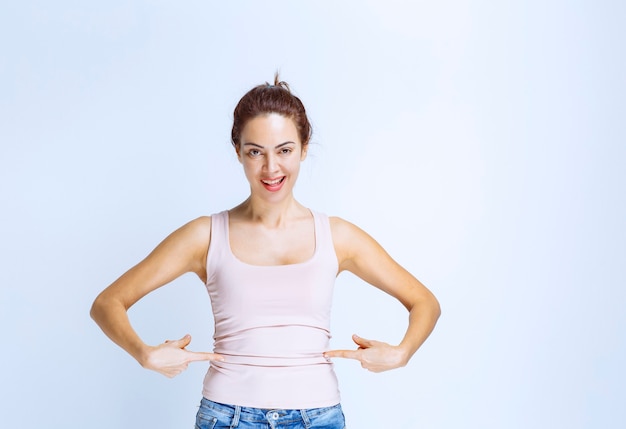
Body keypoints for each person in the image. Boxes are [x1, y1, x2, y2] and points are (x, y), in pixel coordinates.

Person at [90, 74, 441, 429]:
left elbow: (425, 302)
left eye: (284, 150)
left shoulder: (338, 236)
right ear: (238, 153)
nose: (271, 168)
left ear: (304, 149)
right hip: (227, 417)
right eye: (255, 152)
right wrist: (144, 354)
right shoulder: (206, 235)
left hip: (317, 417)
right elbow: (107, 303)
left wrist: (402, 352)